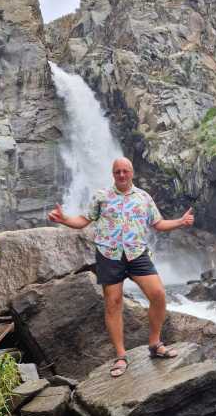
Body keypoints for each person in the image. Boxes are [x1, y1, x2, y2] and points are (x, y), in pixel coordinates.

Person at [48, 157, 194, 377]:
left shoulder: (144, 197)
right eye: (118, 172)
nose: (122, 175)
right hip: (109, 254)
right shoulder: (101, 197)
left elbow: (158, 223)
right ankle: (120, 356)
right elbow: (83, 221)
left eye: (125, 171)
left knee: (158, 294)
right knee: (113, 304)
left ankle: (155, 344)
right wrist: (64, 219)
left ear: (132, 172)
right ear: (113, 174)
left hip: (137, 253)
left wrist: (180, 222)